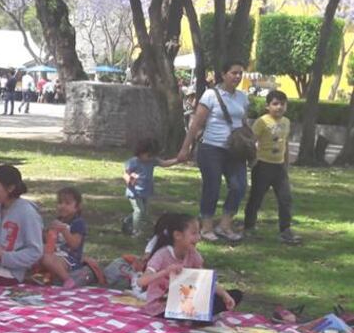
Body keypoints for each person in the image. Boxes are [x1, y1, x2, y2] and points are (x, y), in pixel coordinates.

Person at [177, 60, 251, 242]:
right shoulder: (210, 95)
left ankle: (225, 225)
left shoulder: (243, 97)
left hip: (235, 150)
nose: (237, 76)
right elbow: (196, 124)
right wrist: (185, 148)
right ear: (224, 74)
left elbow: (244, 122)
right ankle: (206, 226)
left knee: (239, 186)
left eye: (240, 73)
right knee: (212, 186)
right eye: (234, 72)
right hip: (211, 148)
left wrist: (249, 142)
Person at [138, 213, 241, 319]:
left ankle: (199, 315)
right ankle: (197, 316)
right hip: (161, 308)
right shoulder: (162, 255)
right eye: (194, 233)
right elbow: (141, 281)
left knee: (235, 295)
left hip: (185, 302)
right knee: (196, 309)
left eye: (199, 233)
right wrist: (165, 272)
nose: (199, 238)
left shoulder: (193, 255)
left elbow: (205, 279)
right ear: (178, 235)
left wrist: (224, 295)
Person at [245, 90, 301, 245]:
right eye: (275, 104)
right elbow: (251, 142)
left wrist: (286, 163)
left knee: (286, 199)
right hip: (262, 165)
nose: (279, 107)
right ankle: (249, 227)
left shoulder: (286, 122)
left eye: (282, 104)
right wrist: (253, 160)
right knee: (256, 198)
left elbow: (286, 144)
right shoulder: (262, 122)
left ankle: (285, 230)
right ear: (267, 106)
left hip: (279, 167)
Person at [122, 139, 182, 236]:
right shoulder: (133, 162)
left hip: (145, 191)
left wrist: (178, 160)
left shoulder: (153, 161)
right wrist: (129, 180)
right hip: (134, 192)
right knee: (139, 211)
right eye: (148, 155)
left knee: (143, 212)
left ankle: (128, 220)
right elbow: (125, 174)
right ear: (140, 153)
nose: (150, 158)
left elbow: (164, 163)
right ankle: (136, 231)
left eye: (152, 155)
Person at [39, 187, 87, 289]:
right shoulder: (59, 220)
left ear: (77, 207)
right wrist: (45, 233)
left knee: (47, 259)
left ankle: (68, 279)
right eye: (60, 202)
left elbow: (75, 244)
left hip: (70, 258)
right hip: (57, 253)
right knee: (36, 252)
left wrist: (64, 230)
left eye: (67, 203)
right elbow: (50, 241)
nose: (62, 206)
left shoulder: (78, 223)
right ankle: (47, 277)